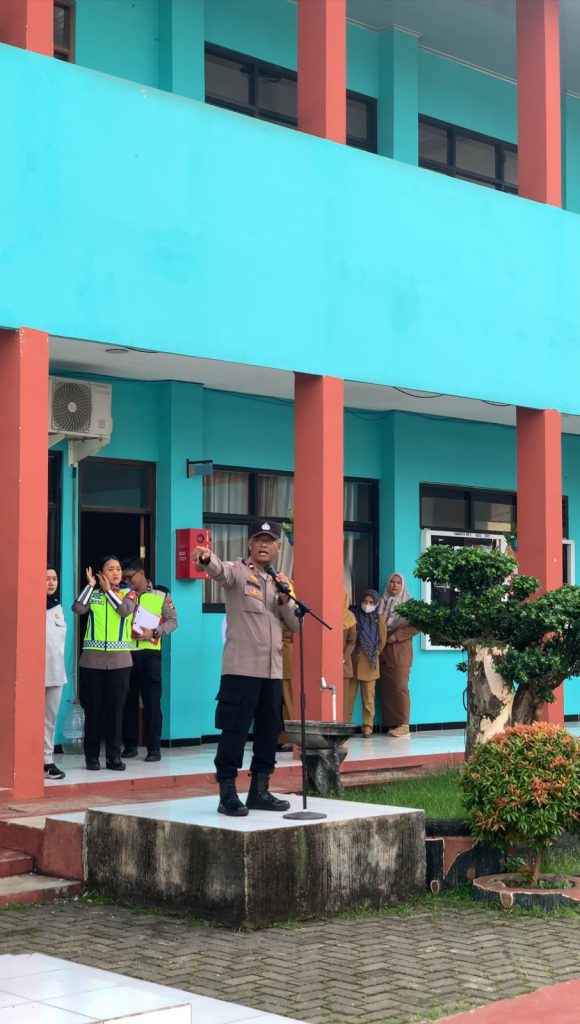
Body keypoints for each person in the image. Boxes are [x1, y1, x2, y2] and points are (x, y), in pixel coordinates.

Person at [192, 520, 299, 817]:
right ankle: (227, 793)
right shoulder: (239, 572)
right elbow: (219, 571)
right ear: (250, 544)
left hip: (272, 671)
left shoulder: (282, 581)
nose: (264, 545)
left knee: (268, 732)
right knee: (234, 731)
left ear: (279, 547)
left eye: (270, 540)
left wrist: (285, 600)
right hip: (241, 670)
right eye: (258, 539)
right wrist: (206, 558)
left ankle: (260, 791)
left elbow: (295, 624)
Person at [72, 555, 136, 771]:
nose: (116, 573)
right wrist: (91, 586)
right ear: (101, 574)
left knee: (115, 711)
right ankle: (91, 757)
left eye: (118, 568)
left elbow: (125, 611)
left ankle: (113, 757)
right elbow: (78, 608)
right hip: (92, 661)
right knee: (94, 711)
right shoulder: (94, 594)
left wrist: (109, 591)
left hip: (119, 662)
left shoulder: (130, 593)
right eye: (110, 569)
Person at [121, 556, 178, 762]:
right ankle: (129, 745)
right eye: (124, 578)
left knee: (152, 701)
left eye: (130, 577)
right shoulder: (122, 594)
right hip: (126, 652)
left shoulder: (161, 593)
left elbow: (173, 622)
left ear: (142, 574)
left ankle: (154, 748)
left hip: (150, 653)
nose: (127, 581)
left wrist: (153, 632)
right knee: (127, 702)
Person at [378, 572, 417, 737]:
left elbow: (416, 626)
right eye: (392, 582)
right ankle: (392, 724)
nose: (394, 585)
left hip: (400, 651)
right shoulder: (382, 602)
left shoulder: (409, 604)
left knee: (400, 686)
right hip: (384, 651)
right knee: (387, 688)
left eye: (398, 583)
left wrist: (396, 636)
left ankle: (403, 724)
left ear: (403, 586)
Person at [346, 589, 386, 737]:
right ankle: (345, 725)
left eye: (370, 602)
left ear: (375, 603)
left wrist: (374, 654)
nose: (367, 605)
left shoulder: (378, 619)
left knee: (368, 698)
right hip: (353, 661)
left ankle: (368, 726)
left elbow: (382, 641)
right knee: (348, 697)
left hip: (370, 664)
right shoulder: (353, 615)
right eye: (365, 601)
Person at [45, 566, 67, 780]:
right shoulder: (31, 606)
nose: (51, 582)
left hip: (55, 672)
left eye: (54, 578)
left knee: (49, 720)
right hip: (34, 673)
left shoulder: (58, 607)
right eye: (46, 578)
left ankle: (47, 761)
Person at [277, 626, 294, 752]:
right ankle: (282, 738)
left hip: (285, 656)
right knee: (279, 701)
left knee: (288, 700)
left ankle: (292, 738)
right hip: (276, 656)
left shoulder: (290, 611)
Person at [342, 588, 357, 709]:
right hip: (327, 663)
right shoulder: (326, 613)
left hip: (343, 664)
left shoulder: (350, 617)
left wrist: (343, 657)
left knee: (343, 702)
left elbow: (352, 642)